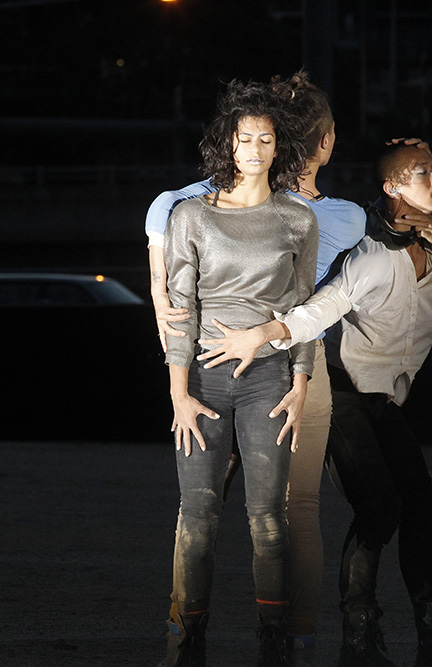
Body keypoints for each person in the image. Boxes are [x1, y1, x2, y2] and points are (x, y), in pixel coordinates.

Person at [199, 143, 432, 667]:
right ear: (392, 188)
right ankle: (359, 638)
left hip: (388, 401)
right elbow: (315, 312)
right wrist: (260, 336)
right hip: (341, 391)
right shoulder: (367, 253)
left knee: (425, 507)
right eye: (422, 172)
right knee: (379, 505)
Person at [147, 71, 368, 661]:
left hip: (271, 379)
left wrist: (300, 383)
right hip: (202, 378)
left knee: (268, 520)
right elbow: (180, 311)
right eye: (244, 139)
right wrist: (178, 393)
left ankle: (273, 643)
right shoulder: (190, 215)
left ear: (279, 148)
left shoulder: (302, 220)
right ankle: (185, 639)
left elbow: (299, 309)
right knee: (197, 515)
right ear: (228, 143)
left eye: (265, 140)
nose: (253, 150)